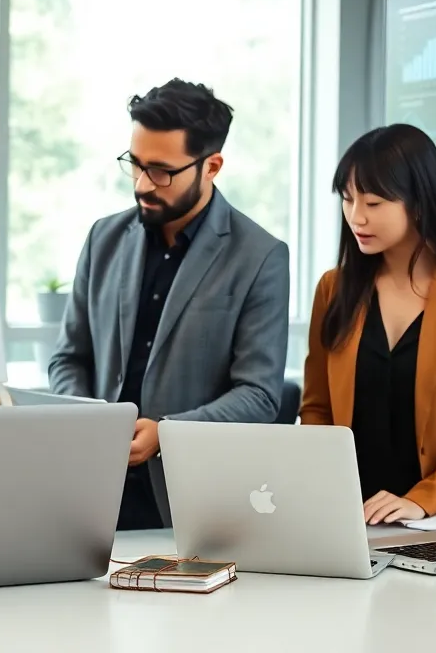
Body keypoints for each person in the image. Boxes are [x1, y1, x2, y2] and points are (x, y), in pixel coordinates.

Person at [48, 78, 290, 531]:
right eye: (135, 165)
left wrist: (166, 433)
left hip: (188, 499)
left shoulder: (260, 256)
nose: (142, 184)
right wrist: (86, 421)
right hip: (86, 488)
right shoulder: (104, 237)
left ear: (212, 166)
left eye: (161, 171)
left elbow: (258, 395)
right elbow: (68, 357)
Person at [299, 123, 436, 525]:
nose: (356, 216)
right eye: (348, 199)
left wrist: (422, 500)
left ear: (418, 202)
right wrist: (325, 490)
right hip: (345, 515)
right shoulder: (334, 288)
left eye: (374, 203)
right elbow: (317, 408)